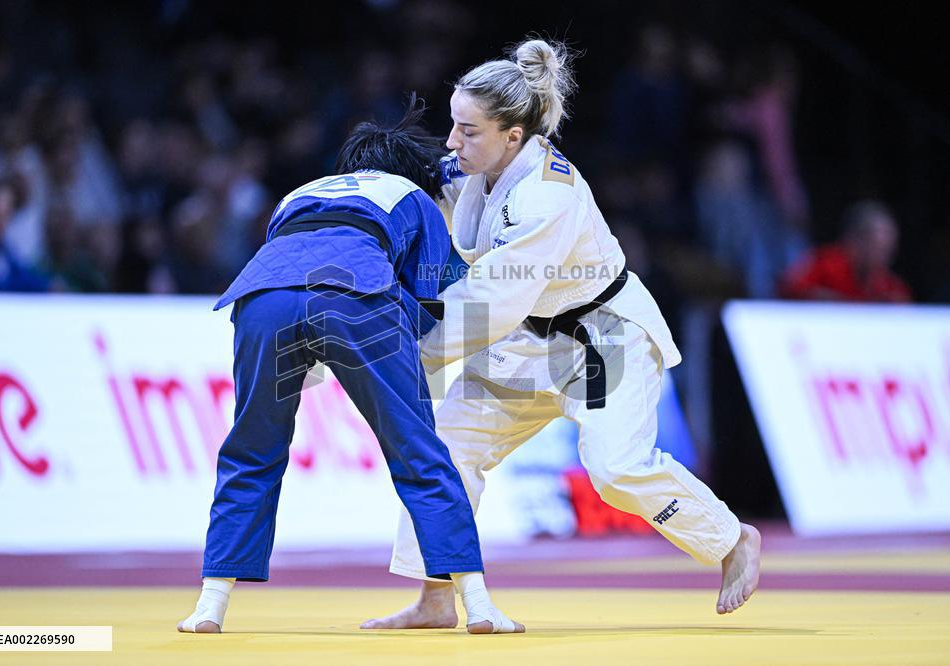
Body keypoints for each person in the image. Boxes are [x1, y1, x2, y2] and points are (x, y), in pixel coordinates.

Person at [362, 40, 761, 630]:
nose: (451, 142)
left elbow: (490, 302)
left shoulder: (545, 196)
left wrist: (409, 355)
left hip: (601, 340)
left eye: (467, 131)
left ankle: (731, 538)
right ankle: (437, 594)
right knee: (447, 447)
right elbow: (418, 193)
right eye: (453, 125)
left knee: (615, 469)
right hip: (524, 343)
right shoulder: (479, 167)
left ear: (512, 136)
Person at [178, 97, 524, 635]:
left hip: (261, 299)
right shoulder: (414, 197)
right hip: (355, 296)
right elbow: (433, 301)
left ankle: (209, 605)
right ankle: (478, 604)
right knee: (420, 451)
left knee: (250, 449)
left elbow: (289, 261)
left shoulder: (297, 194)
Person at [780, 200, 911, 302]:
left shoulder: (887, 284)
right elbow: (789, 289)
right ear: (856, 240)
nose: (884, 256)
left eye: (888, 249)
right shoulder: (826, 264)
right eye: (878, 248)